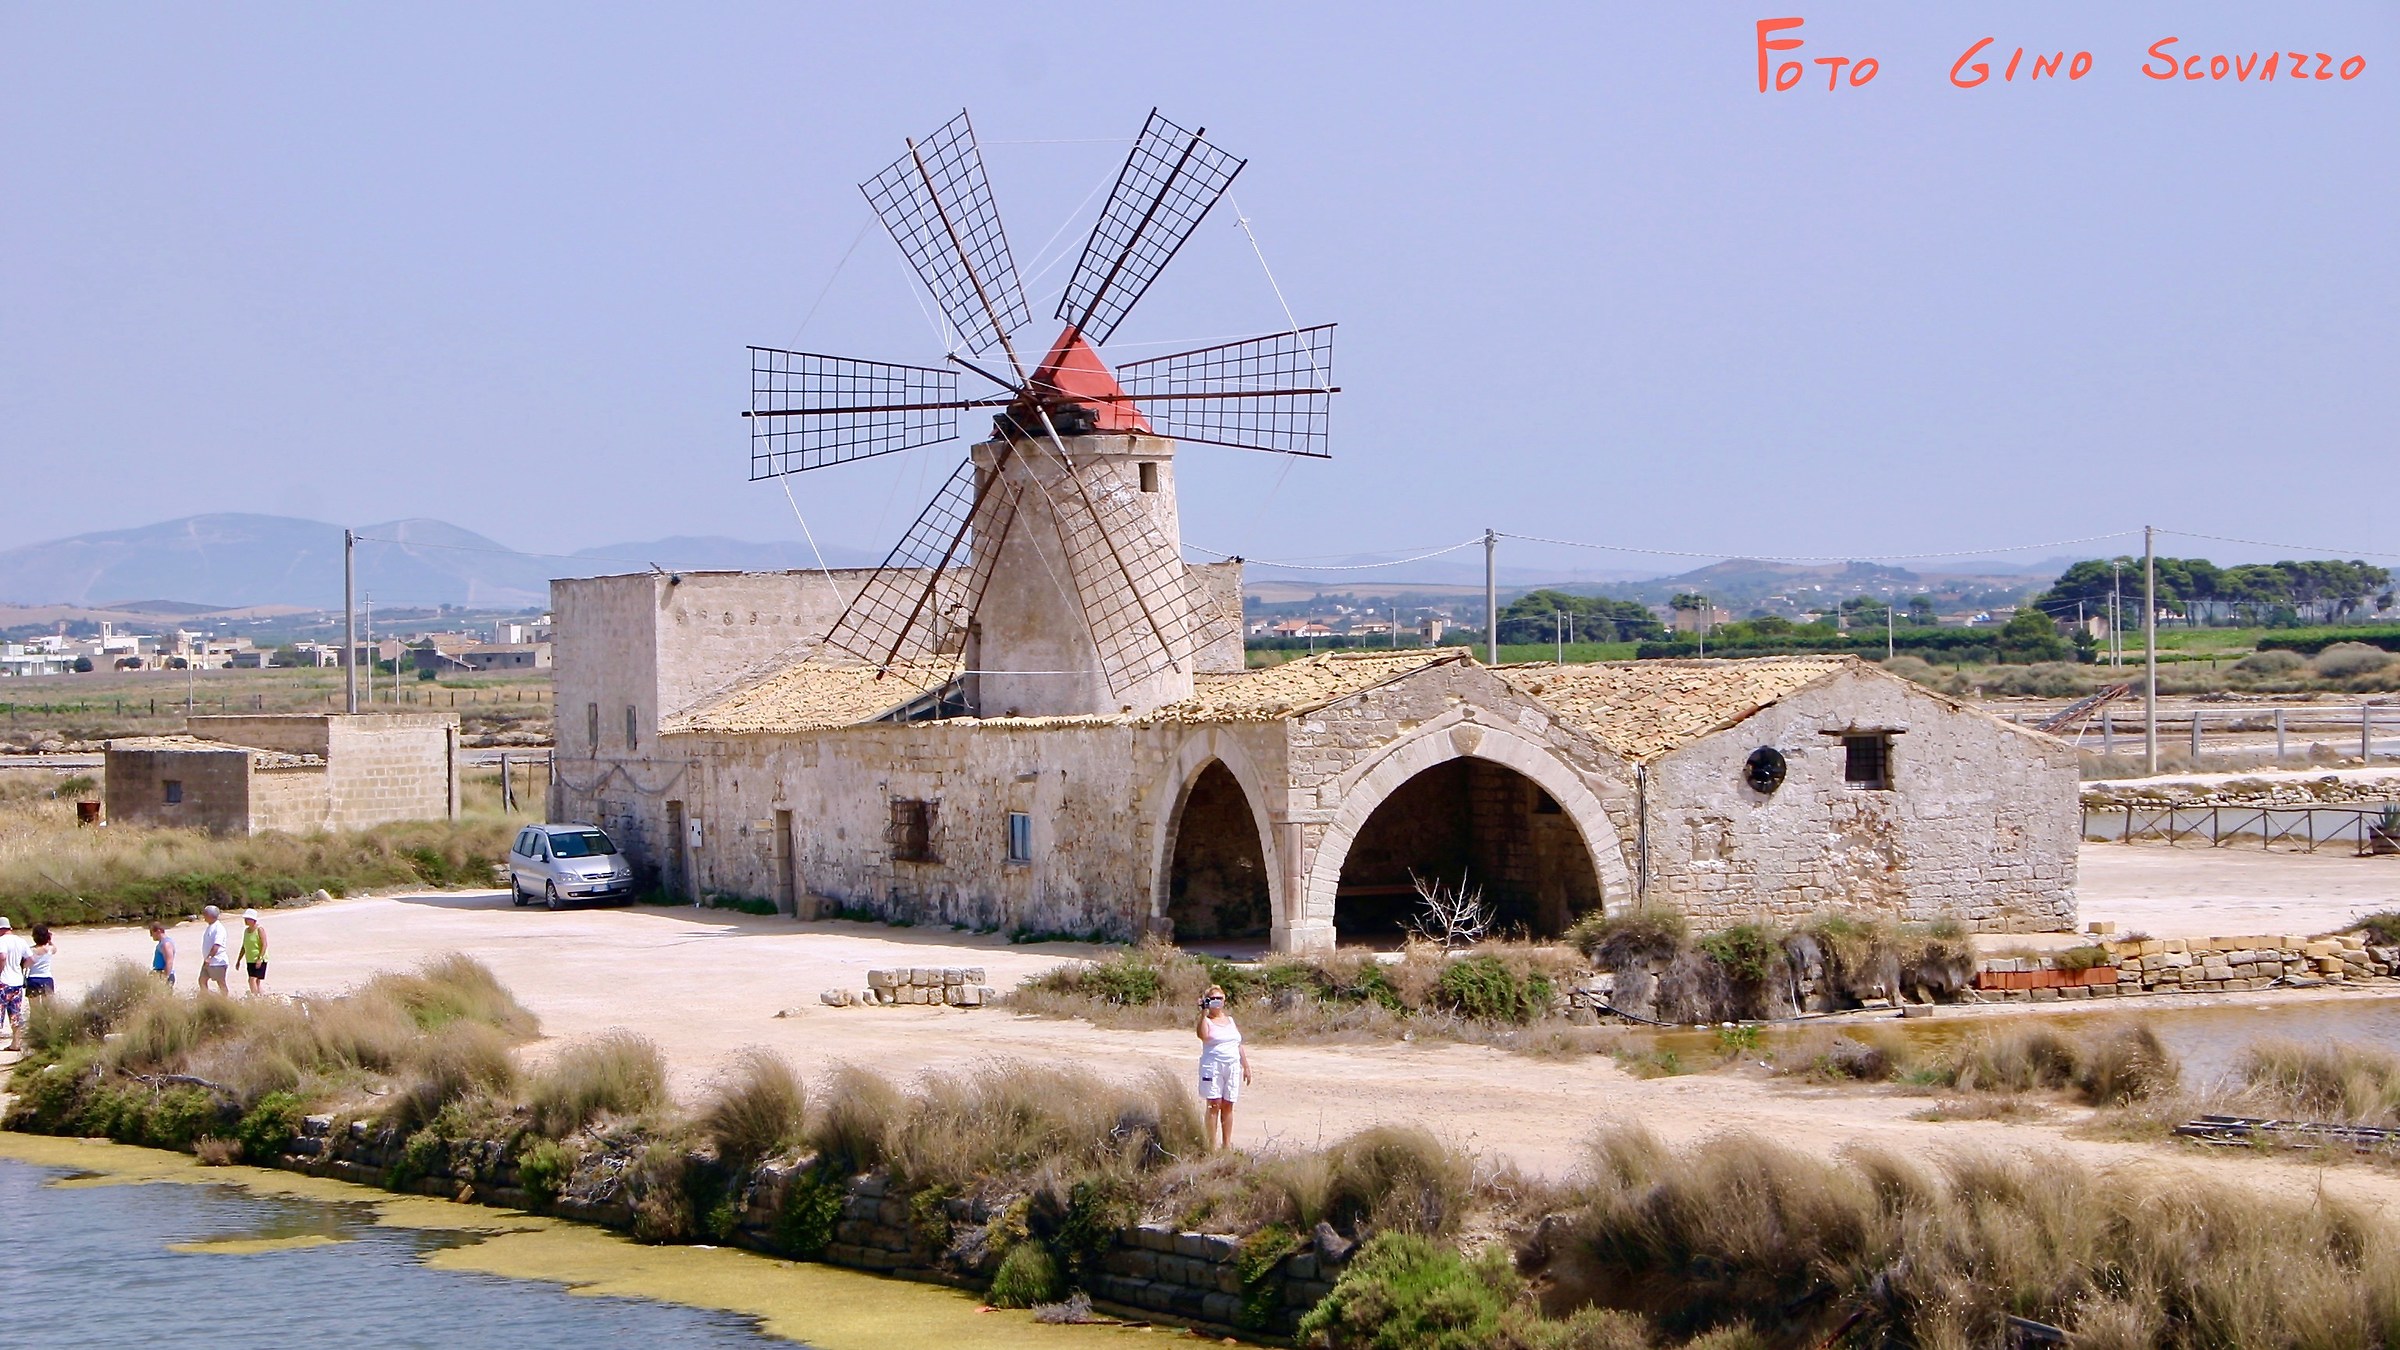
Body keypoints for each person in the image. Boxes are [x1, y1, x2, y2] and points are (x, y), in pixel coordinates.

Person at [1194, 983, 1250, 1151]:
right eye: (1213, 999)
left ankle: (1226, 1145)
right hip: (1213, 1065)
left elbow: (1238, 1044)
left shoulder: (1230, 1021)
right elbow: (1203, 1036)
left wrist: (1246, 1066)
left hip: (1232, 1066)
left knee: (1228, 1104)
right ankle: (1211, 1145)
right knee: (1214, 1104)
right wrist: (1203, 1012)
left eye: (1220, 998)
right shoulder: (1206, 1020)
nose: (1217, 1001)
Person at [0, 917, 29, 1054]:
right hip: (17, 981)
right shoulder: (20, 941)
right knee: (15, 1013)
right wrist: (21, 969)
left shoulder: (2, 941)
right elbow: (31, 959)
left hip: (3, 982)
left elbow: (2, 957)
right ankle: (16, 1043)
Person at [197, 904, 232, 995]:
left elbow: (217, 945)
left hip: (217, 961)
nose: (203, 916)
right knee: (202, 980)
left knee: (221, 983)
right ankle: (206, 998)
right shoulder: (210, 927)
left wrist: (209, 957)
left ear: (210, 915)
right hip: (208, 961)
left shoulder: (219, 928)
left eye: (205, 914)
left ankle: (224, 999)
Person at [240, 909, 268, 996]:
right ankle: (261, 997)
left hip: (259, 959)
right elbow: (244, 946)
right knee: (256, 982)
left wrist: (260, 958)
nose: (245, 920)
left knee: (251, 980)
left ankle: (255, 998)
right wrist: (238, 960)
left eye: (247, 919)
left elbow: (264, 944)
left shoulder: (259, 930)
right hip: (250, 960)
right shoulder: (246, 931)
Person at [25, 924, 56, 1001]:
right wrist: (49, 940)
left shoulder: (30, 950)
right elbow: (55, 949)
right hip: (47, 978)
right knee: (48, 1006)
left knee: (34, 1006)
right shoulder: (50, 949)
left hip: (33, 979)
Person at [150, 922, 177, 987]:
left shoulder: (166, 944)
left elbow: (169, 962)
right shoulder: (162, 943)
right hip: (160, 975)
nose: (151, 936)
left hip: (164, 975)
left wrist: (164, 978)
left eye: (151, 933)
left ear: (158, 931)